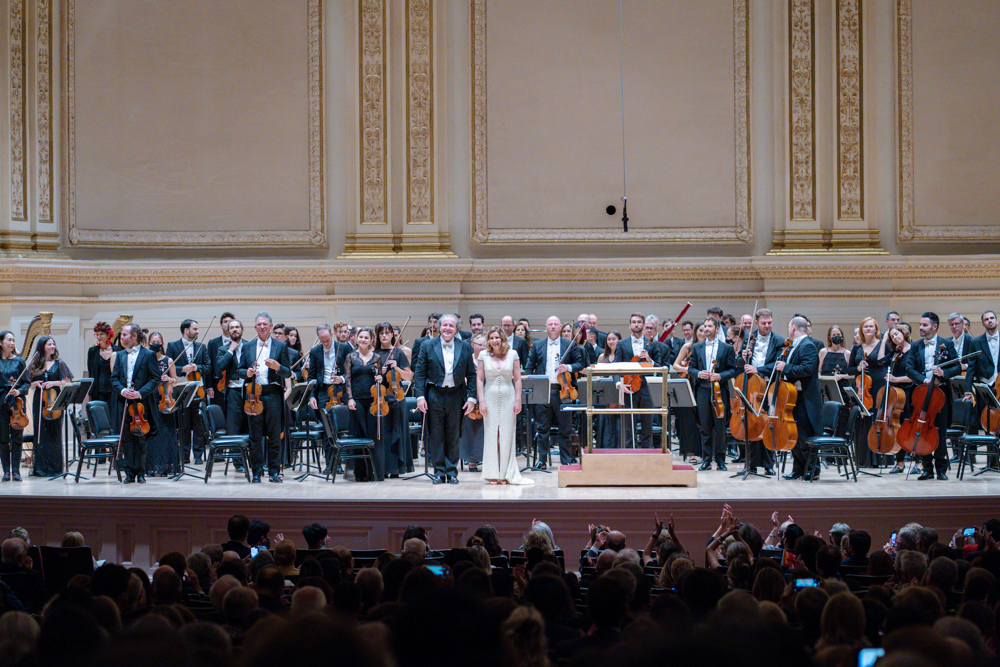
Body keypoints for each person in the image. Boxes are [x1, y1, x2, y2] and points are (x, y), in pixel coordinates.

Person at [413, 314, 478, 484]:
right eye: (445, 325)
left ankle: (452, 472)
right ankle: (439, 472)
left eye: (451, 325)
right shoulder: (427, 345)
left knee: (453, 434)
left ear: (457, 328)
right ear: (439, 327)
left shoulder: (465, 347)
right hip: (434, 394)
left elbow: (471, 375)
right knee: (436, 435)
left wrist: (472, 398)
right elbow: (419, 374)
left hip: (456, 395)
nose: (448, 328)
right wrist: (420, 396)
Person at [238, 312, 292, 483]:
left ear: (270, 327)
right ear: (255, 327)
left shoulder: (280, 346)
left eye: (265, 324)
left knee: (274, 435)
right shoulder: (247, 347)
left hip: (273, 394)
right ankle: (256, 472)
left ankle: (274, 471)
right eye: (259, 324)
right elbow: (239, 370)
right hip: (254, 394)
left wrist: (277, 367)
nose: (262, 327)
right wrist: (246, 372)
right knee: (255, 436)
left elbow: (288, 371)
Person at [904, 312, 958, 480]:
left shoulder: (946, 344)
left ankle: (941, 469)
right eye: (920, 324)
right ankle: (927, 468)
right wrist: (925, 380)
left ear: (934, 327)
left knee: (940, 431)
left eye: (925, 325)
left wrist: (943, 373)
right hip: (921, 393)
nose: (921, 327)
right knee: (922, 430)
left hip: (940, 394)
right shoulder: (915, 346)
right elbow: (909, 369)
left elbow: (956, 366)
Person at [524, 316, 585, 466]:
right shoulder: (538, 345)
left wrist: (568, 367)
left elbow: (579, 363)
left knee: (565, 429)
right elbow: (528, 366)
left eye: (555, 324)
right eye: (550, 324)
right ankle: (542, 460)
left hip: (563, 390)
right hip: (543, 390)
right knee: (542, 428)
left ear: (559, 327)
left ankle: (566, 461)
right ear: (546, 326)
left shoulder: (569, 345)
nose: (552, 327)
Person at [477, 327, 531, 485]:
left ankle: (506, 473)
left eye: (497, 338)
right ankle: (492, 473)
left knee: (507, 435)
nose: (494, 341)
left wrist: (518, 400)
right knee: (492, 434)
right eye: (491, 338)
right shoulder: (483, 355)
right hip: (489, 397)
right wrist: (481, 401)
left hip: (509, 397)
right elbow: (480, 379)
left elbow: (518, 379)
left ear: (502, 339)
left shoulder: (513, 354)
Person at [111, 324, 160, 484]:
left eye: (124, 334)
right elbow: (114, 379)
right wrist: (122, 391)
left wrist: (140, 393)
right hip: (123, 402)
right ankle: (129, 472)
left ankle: (141, 472)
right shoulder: (119, 355)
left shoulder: (149, 354)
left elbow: (155, 378)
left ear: (133, 336)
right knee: (126, 439)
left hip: (142, 403)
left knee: (140, 438)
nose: (121, 337)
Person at [687, 317, 738, 471]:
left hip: (719, 390)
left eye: (710, 326)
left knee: (720, 426)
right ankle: (707, 459)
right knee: (705, 426)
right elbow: (691, 369)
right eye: (705, 326)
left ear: (717, 329)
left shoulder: (727, 348)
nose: (707, 329)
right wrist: (698, 373)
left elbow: (733, 370)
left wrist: (720, 375)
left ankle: (721, 460)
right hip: (702, 389)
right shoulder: (697, 347)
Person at [779, 317, 824, 481]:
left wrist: (786, 367)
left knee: (805, 437)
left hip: (806, 400)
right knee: (796, 437)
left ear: (793, 328)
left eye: (789, 326)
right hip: (796, 398)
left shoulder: (808, 345)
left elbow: (807, 369)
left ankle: (812, 470)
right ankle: (798, 469)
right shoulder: (796, 345)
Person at [166, 319, 210, 465]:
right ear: (186, 330)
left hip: (198, 390)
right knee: (183, 425)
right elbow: (168, 367)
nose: (198, 332)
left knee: (198, 424)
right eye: (195, 329)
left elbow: (208, 367)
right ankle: (184, 455)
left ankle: (198, 455)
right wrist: (182, 370)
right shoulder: (173, 346)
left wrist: (197, 368)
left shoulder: (201, 347)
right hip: (182, 388)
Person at [28, 335, 73, 477]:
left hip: (54, 399)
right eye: (49, 344)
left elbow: (67, 380)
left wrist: (53, 383)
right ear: (42, 347)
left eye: (53, 344)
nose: (52, 347)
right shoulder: (35, 363)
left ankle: (55, 467)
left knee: (54, 433)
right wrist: (35, 384)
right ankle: (41, 468)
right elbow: (27, 383)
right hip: (39, 401)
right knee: (41, 432)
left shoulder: (59, 363)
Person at [145, 332, 179, 477]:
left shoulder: (168, 360)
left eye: (158, 341)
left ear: (162, 343)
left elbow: (175, 380)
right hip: (150, 399)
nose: (156, 344)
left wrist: (168, 379)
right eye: (153, 342)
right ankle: (152, 466)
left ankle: (167, 466)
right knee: (153, 433)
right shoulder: (146, 359)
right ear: (149, 343)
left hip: (165, 400)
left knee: (166, 433)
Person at [0, 331, 29, 481]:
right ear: (1, 343)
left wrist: (19, 390)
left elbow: (26, 382)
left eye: (13, 340)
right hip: (1, 403)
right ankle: (6, 471)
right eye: (9, 340)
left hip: (16, 404)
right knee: (3, 439)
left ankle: (16, 471)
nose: (12, 343)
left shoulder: (19, 362)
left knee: (17, 438)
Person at [85, 321, 120, 432]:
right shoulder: (92, 351)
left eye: (101, 334)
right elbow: (91, 372)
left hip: (113, 390)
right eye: (97, 334)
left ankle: (114, 445)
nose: (98, 337)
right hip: (98, 390)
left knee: (113, 419)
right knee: (99, 419)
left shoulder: (117, 350)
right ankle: (100, 448)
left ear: (108, 335)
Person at [460, 333, 487, 473]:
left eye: (484, 345)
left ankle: (487, 459)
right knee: (470, 428)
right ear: (473, 345)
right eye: (480, 345)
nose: (482, 348)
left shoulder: (489, 360)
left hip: (486, 396)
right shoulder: (467, 359)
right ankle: (471, 461)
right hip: (469, 396)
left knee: (485, 429)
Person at [205, 311, 235, 410]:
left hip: (234, 383)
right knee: (219, 413)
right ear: (221, 325)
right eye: (225, 321)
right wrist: (209, 386)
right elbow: (209, 365)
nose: (228, 323)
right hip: (217, 384)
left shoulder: (240, 343)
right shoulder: (213, 343)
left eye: (230, 322)